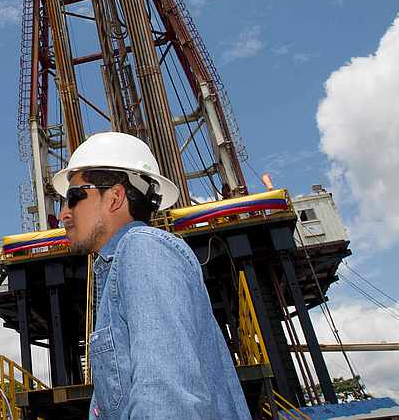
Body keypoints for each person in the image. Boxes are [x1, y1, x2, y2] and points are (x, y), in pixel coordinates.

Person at [53, 131, 251, 419]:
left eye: (73, 197)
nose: (63, 214)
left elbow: (165, 397)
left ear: (115, 198)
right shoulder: (120, 267)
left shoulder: (143, 249)